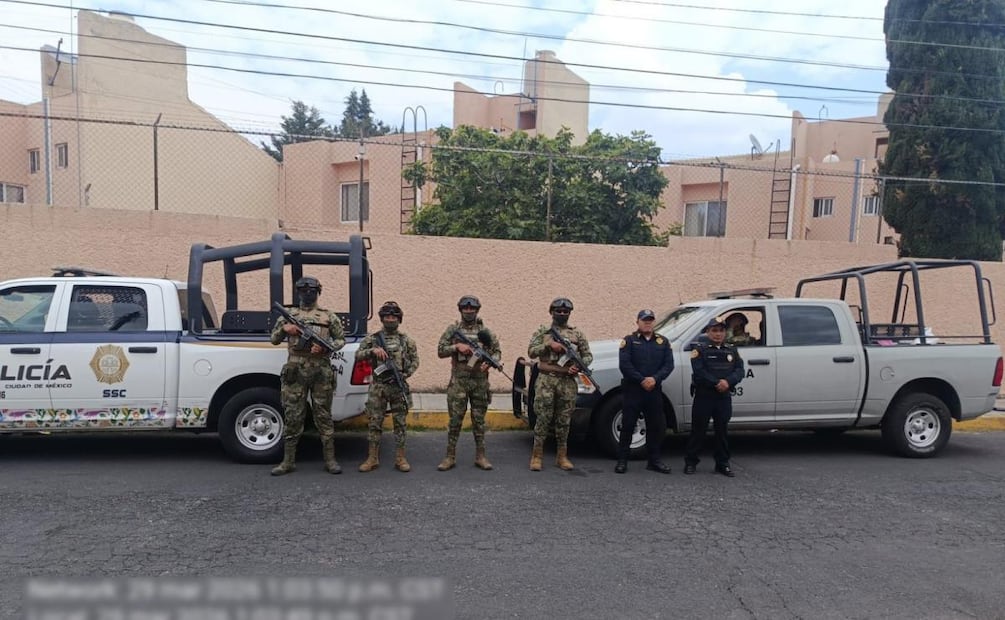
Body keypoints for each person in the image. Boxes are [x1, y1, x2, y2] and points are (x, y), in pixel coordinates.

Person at [269, 276, 346, 476]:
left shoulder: (328, 316)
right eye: (304, 290)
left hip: (321, 370)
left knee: (323, 416)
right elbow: (274, 339)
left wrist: (325, 348)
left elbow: (340, 340)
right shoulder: (289, 315)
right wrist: (285, 328)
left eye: (312, 290)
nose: (308, 294)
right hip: (295, 370)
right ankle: (288, 461)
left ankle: (330, 460)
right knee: (293, 415)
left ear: (318, 292)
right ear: (299, 292)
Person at [436, 295, 502, 471]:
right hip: (459, 381)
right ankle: (450, 456)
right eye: (465, 308)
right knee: (455, 420)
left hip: (480, 381)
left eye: (472, 308)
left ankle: (480, 456)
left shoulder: (485, 332)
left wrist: (490, 361)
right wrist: (456, 347)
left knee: (479, 420)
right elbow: (440, 350)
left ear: (477, 310)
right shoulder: (453, 330)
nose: (469, 311)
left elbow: (496, 352)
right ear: (460, 309)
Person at [527, 298, 593, 471]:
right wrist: (549, 344)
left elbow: (587, 355)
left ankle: (562, 456)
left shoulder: (577, 333)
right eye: (558, 311)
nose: (562, 314)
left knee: (564, 420)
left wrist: (578, 366)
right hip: (546, 380)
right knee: (543, 418)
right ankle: (537, 456)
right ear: (551, 312)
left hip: (567, 381)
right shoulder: (543, 331)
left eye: (565, 312)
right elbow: (532, 352)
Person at [356, 301, 419, 473]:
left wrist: (405, 375)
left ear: (399, 319)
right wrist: (372, 351)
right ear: (382, 319)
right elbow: (358, 356)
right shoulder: (373, 339)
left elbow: (415, 361)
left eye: (393, 317)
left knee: (400, 423)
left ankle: (400, 458)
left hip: (398, 387)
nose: (390, 319)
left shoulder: (406, 341)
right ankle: (372, 458)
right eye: (387, 317)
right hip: (379, 387)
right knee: (375, 422)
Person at [615, 309, 675, 474]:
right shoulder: (629, 341)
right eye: (644, 320)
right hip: (633, 390)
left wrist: (654, 379)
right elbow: (625, 365)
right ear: (638, 322)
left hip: (653, 391)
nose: (647, 323)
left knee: (655, 426)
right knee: (627, 425)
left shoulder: (663, 342)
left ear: (654, 322)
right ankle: (622, 460)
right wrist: (641, 380)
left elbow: (668, 365)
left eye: (650, 320)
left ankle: (654, 461)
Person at [685, 318, 744, 477]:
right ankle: (691, 462)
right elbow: (699, 371)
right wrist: (717, 382)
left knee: (722, 431)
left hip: (723, 397)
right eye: (714, 331)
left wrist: (727, 382)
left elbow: (740, 371)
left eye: (721, 331)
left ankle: (722, 463)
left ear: (725, 333)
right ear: (708, 332)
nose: (718, 334)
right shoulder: (700, 350)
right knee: (698, 431)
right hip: (705, 396)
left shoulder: (732, 350)